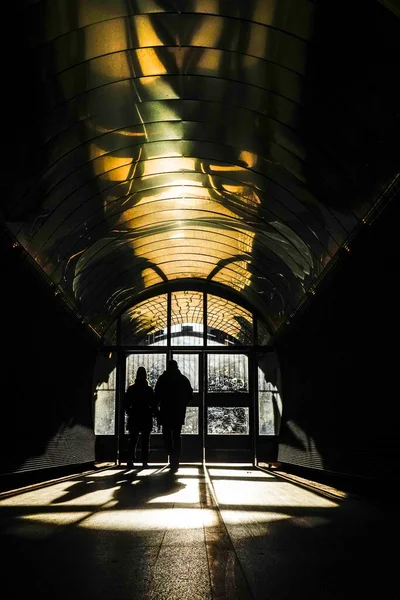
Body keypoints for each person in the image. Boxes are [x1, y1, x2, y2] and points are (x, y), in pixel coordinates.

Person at [154, 359, 193, 471]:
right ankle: (175, 458)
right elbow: (190, 395)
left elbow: (157, 395)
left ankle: (171, 454)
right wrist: (182, 404)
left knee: (166, 434)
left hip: (165, 412)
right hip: (178, 412)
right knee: (176, 435)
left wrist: (156, 409)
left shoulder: (162, 379)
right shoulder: (183, 379)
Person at [124, 366, 157, 468]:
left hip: (134, 416)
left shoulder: (131, 389)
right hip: (146, 416)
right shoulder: (149, 389)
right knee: (145, 440)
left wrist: (129, 412)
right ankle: (144, 461)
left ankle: (130, 459)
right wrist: (153, 413)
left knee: (133, 439)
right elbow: (153, 404)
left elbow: (126, 404)